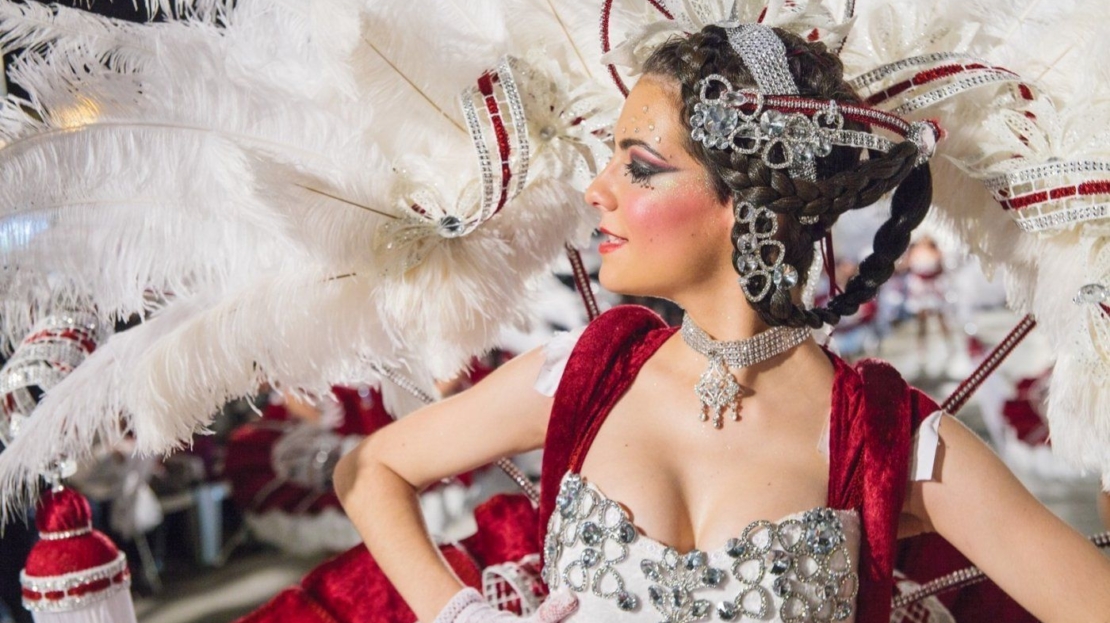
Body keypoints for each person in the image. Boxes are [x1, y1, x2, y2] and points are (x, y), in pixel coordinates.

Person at [334, 23, 1110, 623]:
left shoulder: (888, 439)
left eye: (639, 166)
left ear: (746, 203)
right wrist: (461, 612)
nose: (598, 189)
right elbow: (371, 471)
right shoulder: (585, 373)